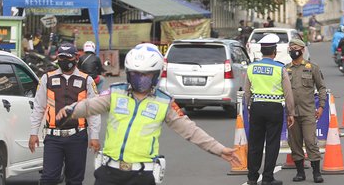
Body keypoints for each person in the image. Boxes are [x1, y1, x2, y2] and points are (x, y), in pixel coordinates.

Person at [55, 43, 240, 185]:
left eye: (146, 75)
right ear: (128, 74)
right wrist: (71, 110)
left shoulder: (164, 102)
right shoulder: (116, 92)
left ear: (156, 75)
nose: (140, 80)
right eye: (135, 74)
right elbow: (89, 106)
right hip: (108, 172)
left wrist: (219, 149)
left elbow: (191, 131)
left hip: (142, 175)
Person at [29, 43, 101, 185]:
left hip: (77, 137)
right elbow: (38, 107)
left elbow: (93, 111)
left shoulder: (86, 80)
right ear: (57, 58)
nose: (65, 60)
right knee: (49, 178)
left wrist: (95, 136)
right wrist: (33, 132)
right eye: (61, 57)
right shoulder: (47, 78)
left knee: (74, 180)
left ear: (76, 58)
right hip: (53, 137)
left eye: (68, 57)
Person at [244, 34, 295, 185]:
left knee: (255, 143)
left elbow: (247, 92)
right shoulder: (280, 68)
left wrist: (248, 110)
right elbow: (288, 93)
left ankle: (252, 177)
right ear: (274, 52)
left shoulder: (251, 67)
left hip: (257, 107)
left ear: (261, 52)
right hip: (274, 109)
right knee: (272, 143)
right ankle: (267, 178)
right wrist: (290, 113)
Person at [285, 39, 326, 183]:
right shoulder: (285, 69)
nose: (292, 51)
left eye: (295, 48)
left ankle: (316, 172)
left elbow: (321, 87)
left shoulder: (312, 67)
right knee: (294, 143)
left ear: (302, 50)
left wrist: (321, 106)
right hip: (291, 114)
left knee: (310, 142)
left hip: (308, 112)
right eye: (290, 48)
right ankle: (300, 172)